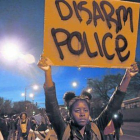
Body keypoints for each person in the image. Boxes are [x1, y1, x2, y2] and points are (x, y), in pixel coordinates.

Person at [38, 55, 138, 140]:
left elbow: (114, 105)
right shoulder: (64, 129)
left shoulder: (97, 127)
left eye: (85, 110)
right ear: (70, 114)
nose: (82, 114)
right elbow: (52, 106)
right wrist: (47, 72)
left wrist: (128, 76)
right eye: (77, 110)